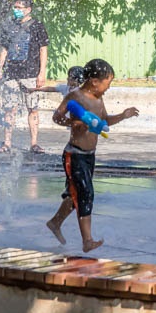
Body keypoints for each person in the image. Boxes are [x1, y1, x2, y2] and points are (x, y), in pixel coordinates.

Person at [45, 59, 139, 252]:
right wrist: (75, 124)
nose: (108, 87)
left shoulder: (98, 99)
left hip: (89, 155)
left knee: (76, 195)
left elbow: (104, 122)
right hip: (75, 155)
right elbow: (57, 117)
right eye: (108, 82)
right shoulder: (76, 97)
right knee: (85, 193)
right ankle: (87, 240)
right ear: (95, 81)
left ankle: (55, 222)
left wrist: (123, 115)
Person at [0, 0, 50, 154]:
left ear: (28, 9)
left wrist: (42, 73)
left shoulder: (37, 26)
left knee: (32, 107)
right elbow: (4, 49)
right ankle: (7, 143)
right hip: (10, 73)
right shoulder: (8, 26)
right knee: (9, 108)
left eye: (19, 8)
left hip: (30, 73)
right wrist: (0, 69)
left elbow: (43, 49)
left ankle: (34, 143)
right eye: (15, 7)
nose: (16, 10)